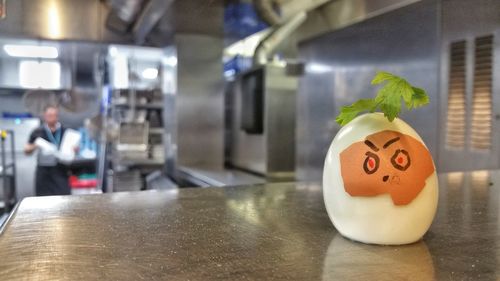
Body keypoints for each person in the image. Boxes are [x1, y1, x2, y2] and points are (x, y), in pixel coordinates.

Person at [24, 105, 71, 196]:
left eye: (54, 115)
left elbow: (72, 147)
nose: (51, 118)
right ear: (44, 116)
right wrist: (36, 145)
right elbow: (26, 150)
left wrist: (73, 150)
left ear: (57, 116)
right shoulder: (37, 131)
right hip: (43, 172)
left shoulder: (65, 131)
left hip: (60, 170)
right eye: (49, 115)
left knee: (64, 199)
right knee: (43, 200)